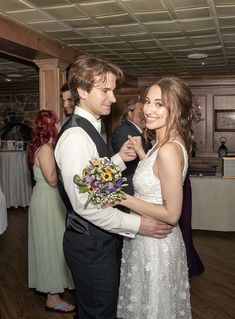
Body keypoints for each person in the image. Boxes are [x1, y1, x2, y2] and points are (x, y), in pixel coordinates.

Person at [54, 55, 172, 319]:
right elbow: (86, 206)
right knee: (99, 312)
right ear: (82, 91)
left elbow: (92, 180)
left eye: (113, 90)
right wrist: (138, 224)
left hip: (98, 242)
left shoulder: (91, 127)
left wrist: (118, 159)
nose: (113, 97)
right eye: (104, 90)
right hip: (89, 244)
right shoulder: (75, 137)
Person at [116, 77, 193, 318]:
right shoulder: (163, 143)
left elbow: (172, 213)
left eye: (159, 104)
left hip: (156, 244)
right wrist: (142, 154)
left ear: (176, 109)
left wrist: (121, 198)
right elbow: (156, 180)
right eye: (148, 101)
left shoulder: (168, 149)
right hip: (146, 239)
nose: (149, 109)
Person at [28, 110, 74, 314]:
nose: (58, 126)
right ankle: (53, 298)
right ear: (50, 126)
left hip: (46, 198)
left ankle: (54, 293)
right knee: (51, 247)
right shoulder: (46, 149)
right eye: (56, 123)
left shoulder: (43, 147)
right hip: (47, 200)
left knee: (52, 243)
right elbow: (53, 180)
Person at [111, 98, 152, 200]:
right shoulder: (122, 130)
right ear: (130, 114)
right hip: (128, 188)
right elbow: (130, 158)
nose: (144, 116)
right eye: (141, 113)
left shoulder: (142, 133)